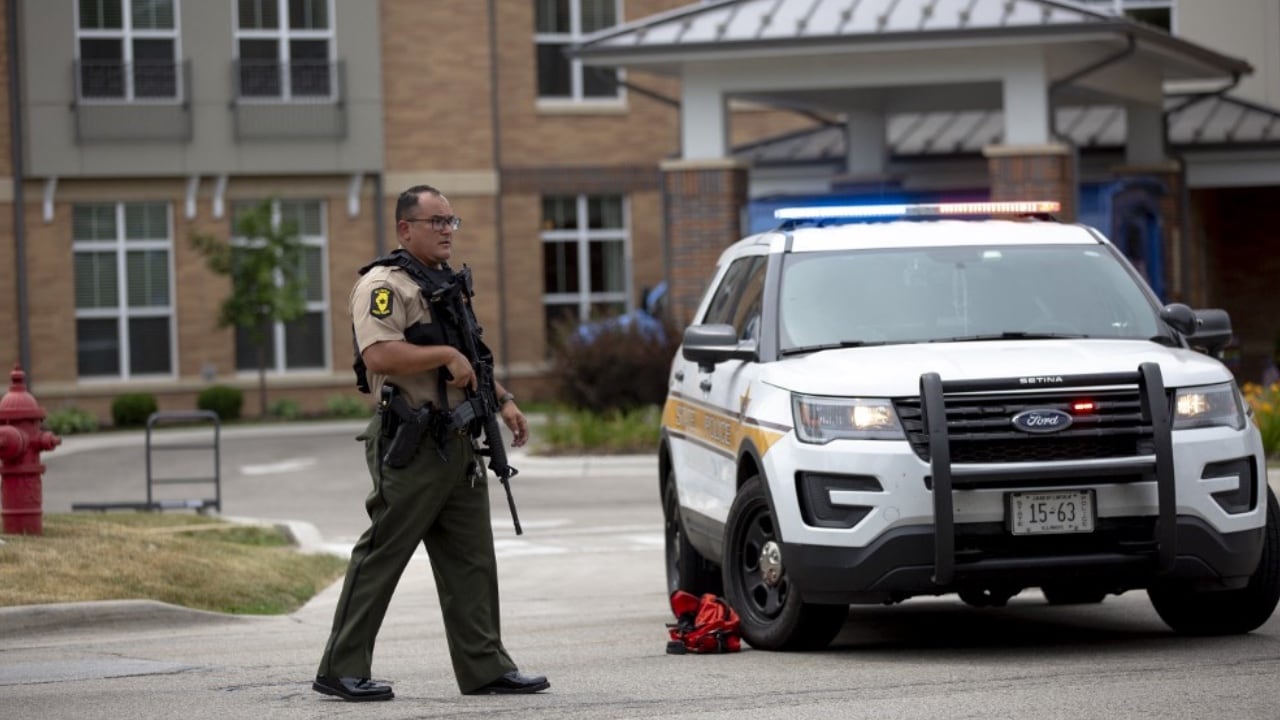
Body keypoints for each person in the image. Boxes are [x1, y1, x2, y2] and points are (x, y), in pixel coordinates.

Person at [313, 185, 545, 702]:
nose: (446, 230)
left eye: (451, 221)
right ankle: (340, 667)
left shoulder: (445, 284)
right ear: (405, 229)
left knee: (472, 560)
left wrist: (503, 400)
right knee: (382, 555)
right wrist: (442, 356)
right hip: (412, 442)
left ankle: (485, 667)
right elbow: (379, 354)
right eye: (436, 221)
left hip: (459, 438)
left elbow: (471, 355)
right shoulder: (384, 285)